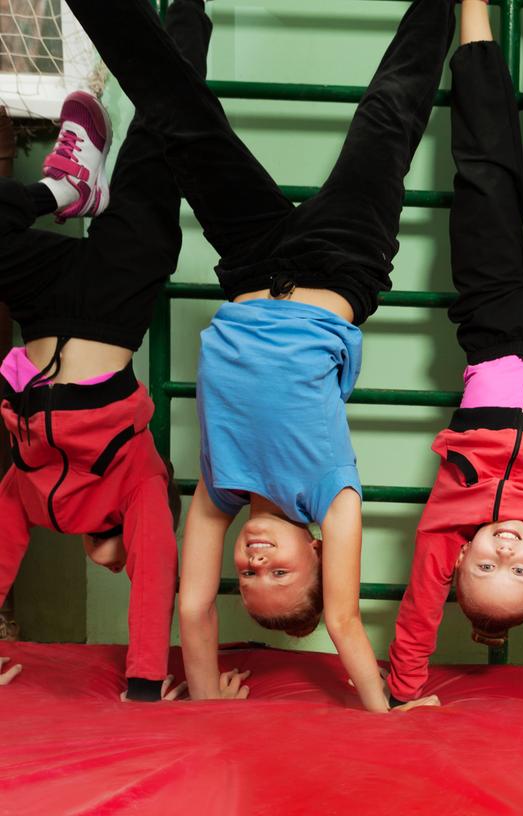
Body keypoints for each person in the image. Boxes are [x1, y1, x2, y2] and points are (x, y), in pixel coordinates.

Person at [64, 0, 455, 712]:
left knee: (180, 115)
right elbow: (342, 620)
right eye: (281, 576)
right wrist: (386, 706)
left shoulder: (221, 495)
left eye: (248, 582)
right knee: (389, 115)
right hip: (341, 264)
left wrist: (209, 694)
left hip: (248, 265)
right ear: (315, 554)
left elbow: (190, 611)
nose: (257, 566)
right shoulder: (334, 499)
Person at [385, 0, 523, 707]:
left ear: (457, 562)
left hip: (487, 320)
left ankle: (473, 8)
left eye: (485, 567)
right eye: (519, 573)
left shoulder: (449, 519)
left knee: (482, 173)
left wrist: (406, 689)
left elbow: (419, 615)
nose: (505, 555)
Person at [0, 0, 212, 701]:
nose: (113, 562)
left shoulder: (28, 499)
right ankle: (190, 8)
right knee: (162, 133)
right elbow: (154, 574)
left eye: (107, 562)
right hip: (116, 305)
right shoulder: (141, 482)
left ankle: (64, 187)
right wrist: (145, 682)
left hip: (41, 304)